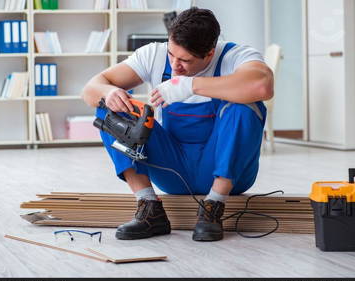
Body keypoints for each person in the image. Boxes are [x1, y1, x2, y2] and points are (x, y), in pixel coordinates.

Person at [82, 7, 273, 242]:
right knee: (112, 107)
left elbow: (262, 86)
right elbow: (90, 89)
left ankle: (213, 207)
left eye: (185, 60)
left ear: (210, 53)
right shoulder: (154, 55)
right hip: (172, 170)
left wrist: (190, 86)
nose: (174, 66)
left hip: (230, 174)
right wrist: (109, 91)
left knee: (245, 104)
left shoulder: (236, 56)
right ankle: (149, 207)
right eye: (172, 54)